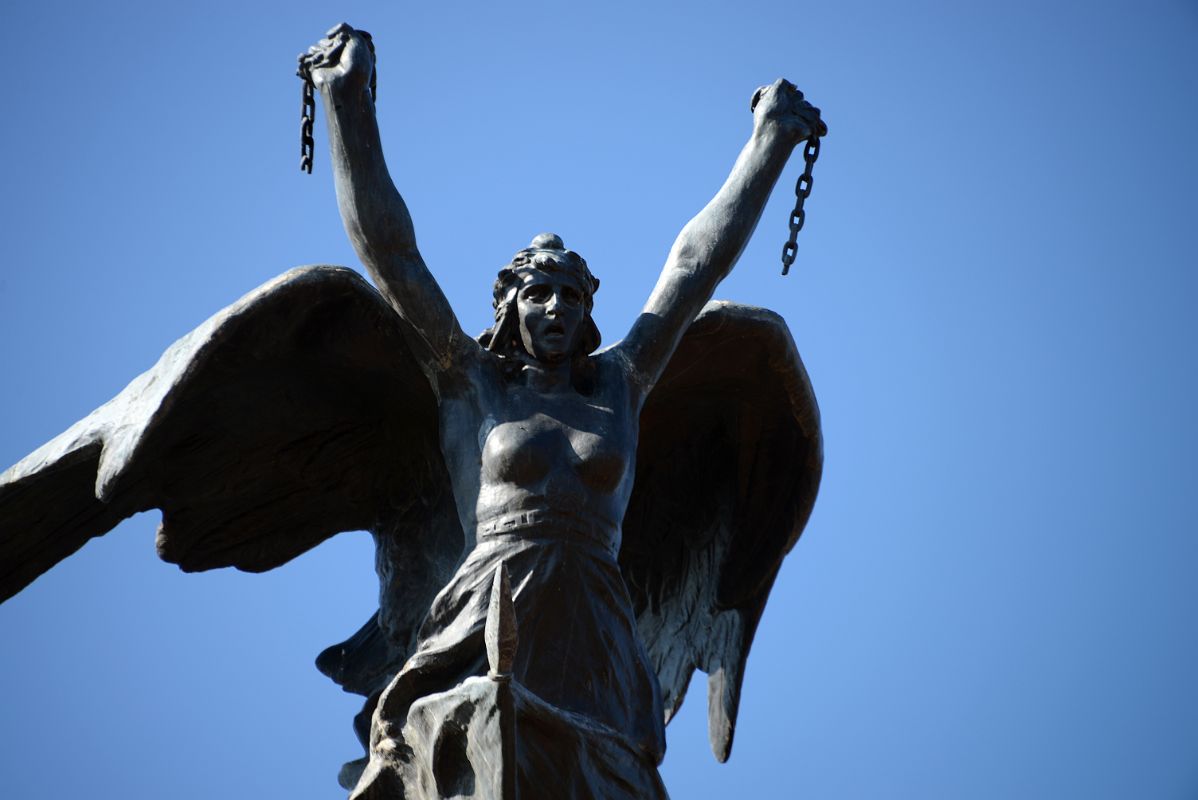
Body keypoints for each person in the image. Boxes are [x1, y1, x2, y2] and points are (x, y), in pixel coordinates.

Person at [301, 21, 824, 797]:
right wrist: (347, 102)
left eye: (570, 298)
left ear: (588, 315)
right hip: (489, 596)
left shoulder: (621, 383)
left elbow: (693, 266)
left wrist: (771, 143)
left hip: (596, 620)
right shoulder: (471, 382)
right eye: (537, 295)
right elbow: (393, 256)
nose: (554, 309)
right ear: (511, 309)